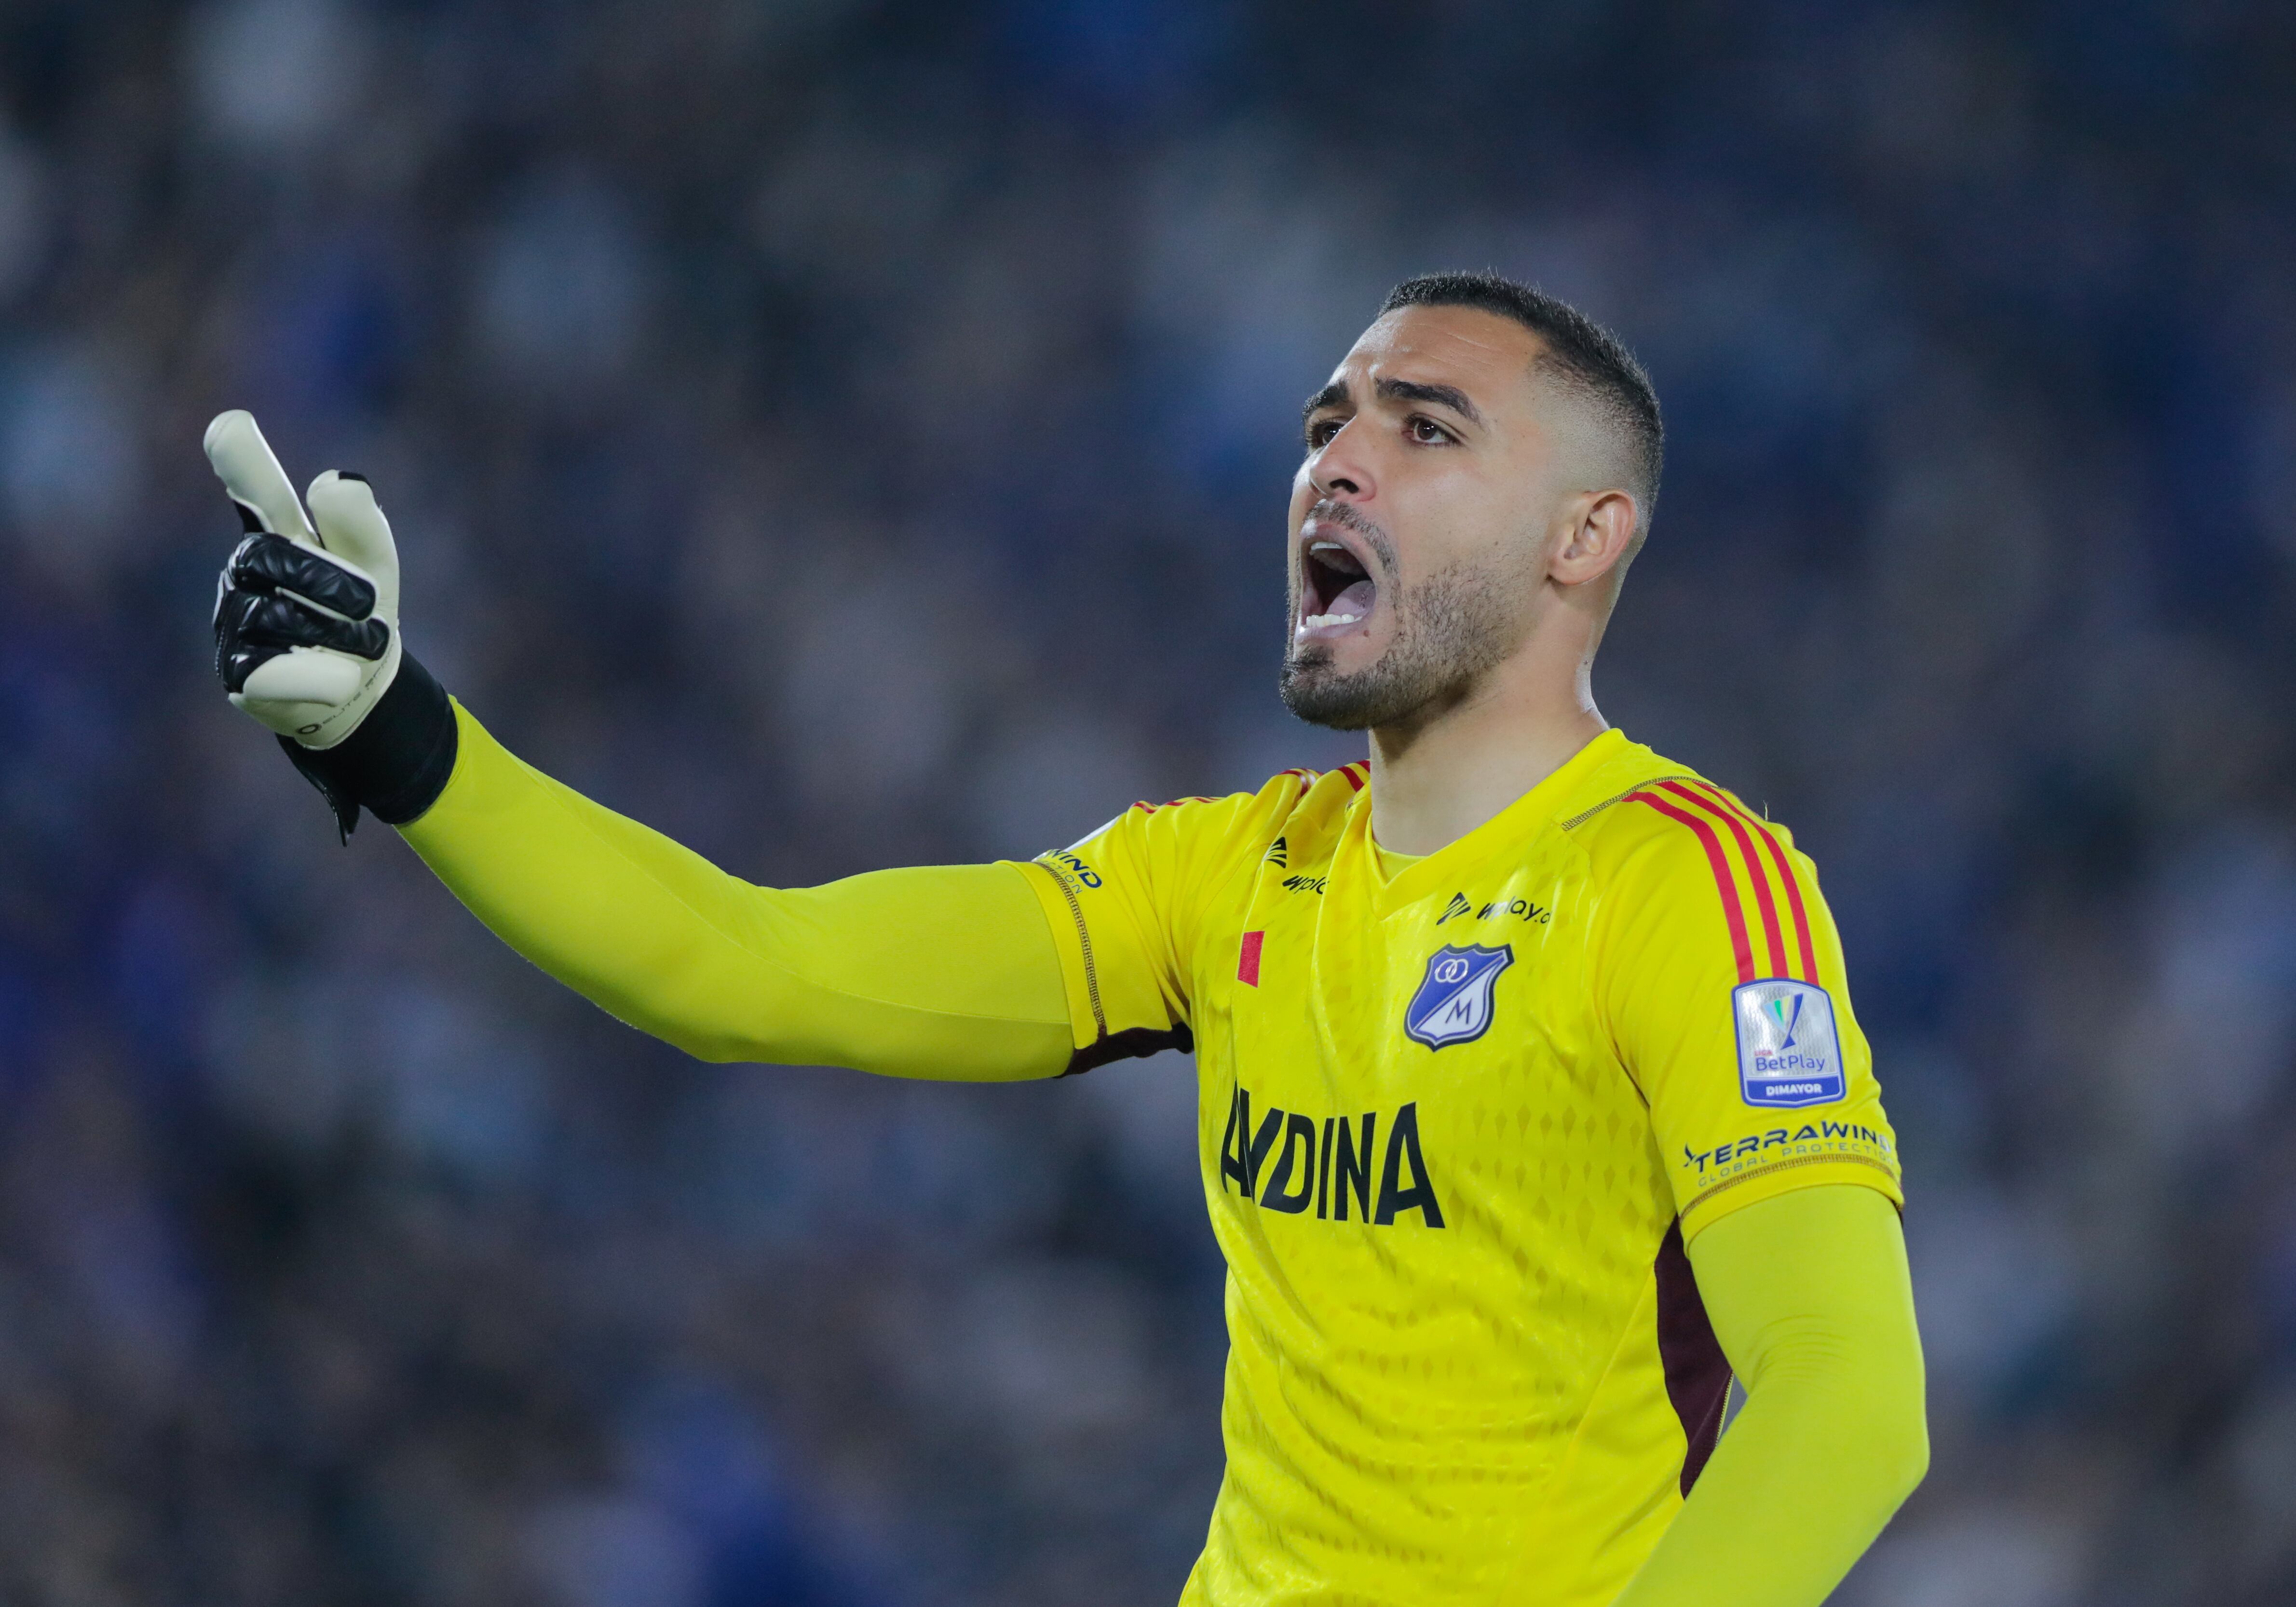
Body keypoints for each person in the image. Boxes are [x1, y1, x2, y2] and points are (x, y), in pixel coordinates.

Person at [207, 271, 1927, 1606]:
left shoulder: (1687, 887)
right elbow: (746, 965)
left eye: (1428, 429)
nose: (1336, 458)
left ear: (1587, 537)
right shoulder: (1223, 879)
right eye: (1329, 421)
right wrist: (403, 736)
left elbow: (1850, 1398)